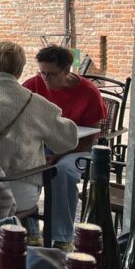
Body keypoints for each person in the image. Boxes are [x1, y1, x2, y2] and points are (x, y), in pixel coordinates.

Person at [0, 41, 78, 228]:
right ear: (20, 71)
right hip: (13, 193)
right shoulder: (35, 103)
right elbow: (69, 140)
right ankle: (25, 235)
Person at [22, 44, 107, 250]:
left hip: (78, 149)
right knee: (22, 163)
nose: (45, 79)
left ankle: (62, 238)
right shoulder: (33, 85)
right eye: (42, 73)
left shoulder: (88, 92)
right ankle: (30, 230)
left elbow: (91, 137)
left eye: (51, 74)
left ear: (67, 70)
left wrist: (59, 154)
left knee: (63, 171)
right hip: (43, 146)